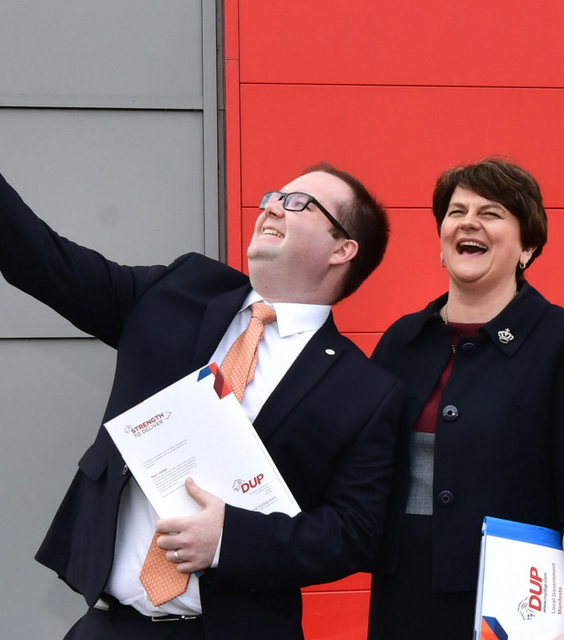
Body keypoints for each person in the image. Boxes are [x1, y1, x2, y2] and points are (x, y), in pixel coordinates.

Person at [0, 162, 404, 640]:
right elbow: (50, 264)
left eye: (299, 203)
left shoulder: (366, 389)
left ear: (343, 249)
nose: (272, 205)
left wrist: (229, 541)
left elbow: (352, 533)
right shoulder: (180, 289)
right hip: (108, 625)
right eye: (274, 194)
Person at [365, 157, 564, 640]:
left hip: (519, 602)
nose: (468, 222)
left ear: (528, 246)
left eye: (492, 212)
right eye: (456, 211)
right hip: (404, 597)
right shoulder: (403, 341)